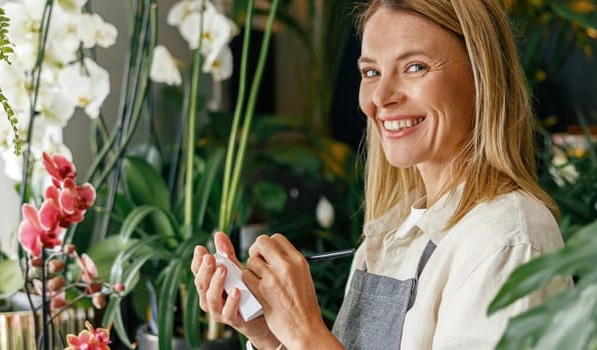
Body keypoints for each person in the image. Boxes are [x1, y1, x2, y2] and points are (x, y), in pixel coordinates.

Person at [191, 0, 569, 348]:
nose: (381, 96)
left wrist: (305, 330)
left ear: (481, 77)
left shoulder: (507, 240)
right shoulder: (392, 233)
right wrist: (272, 334)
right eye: (371, 71)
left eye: (414, 67)